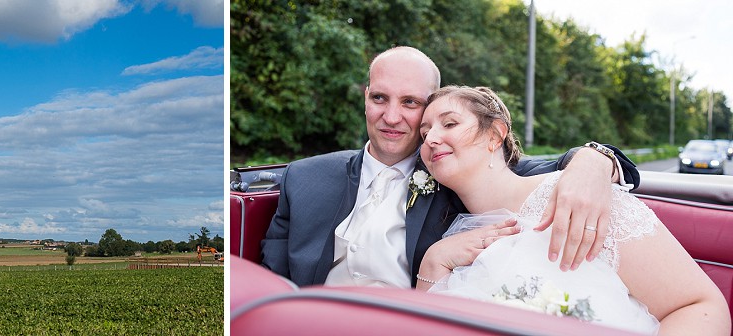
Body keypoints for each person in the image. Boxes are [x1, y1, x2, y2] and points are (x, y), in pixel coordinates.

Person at [259, 46, 641, 288]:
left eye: (410, 102)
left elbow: (544, 168)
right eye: (380, 98)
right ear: (366, 99)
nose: (391, 116)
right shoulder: (304, 177)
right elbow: (270, 282)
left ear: (428, 108)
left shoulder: (459, 175)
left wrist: (593, 160)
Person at [414, 85, 729, 334]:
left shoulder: (581, 194)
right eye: (424, 133)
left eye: (450, 124)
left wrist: (596, 159)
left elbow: (698, 306)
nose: (431, 139)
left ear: (496, 135)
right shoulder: (450, 235)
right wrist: (433, 262)